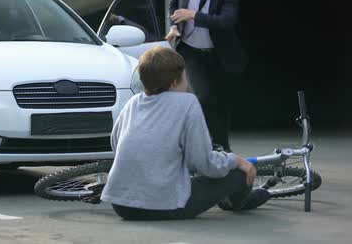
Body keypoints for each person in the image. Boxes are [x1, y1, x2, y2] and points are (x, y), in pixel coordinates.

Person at [100, 46, 269, 220]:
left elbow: (116, 142)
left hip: (122, 206)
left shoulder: (133, 103)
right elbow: (204, 164)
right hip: (164, 206)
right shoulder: (187, 103)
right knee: (239, 173)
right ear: (174, 82)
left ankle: (226, 198)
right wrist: (237, 160)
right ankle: (239, 202)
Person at [165, 0, 247, 152]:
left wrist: (193, 15)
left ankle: (222, 148)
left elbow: (226, 22)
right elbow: (173, 6)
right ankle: (196, 144)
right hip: (191, 52)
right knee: (203, 97)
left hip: (219, 56)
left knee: (221, 105)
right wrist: (174, 26)